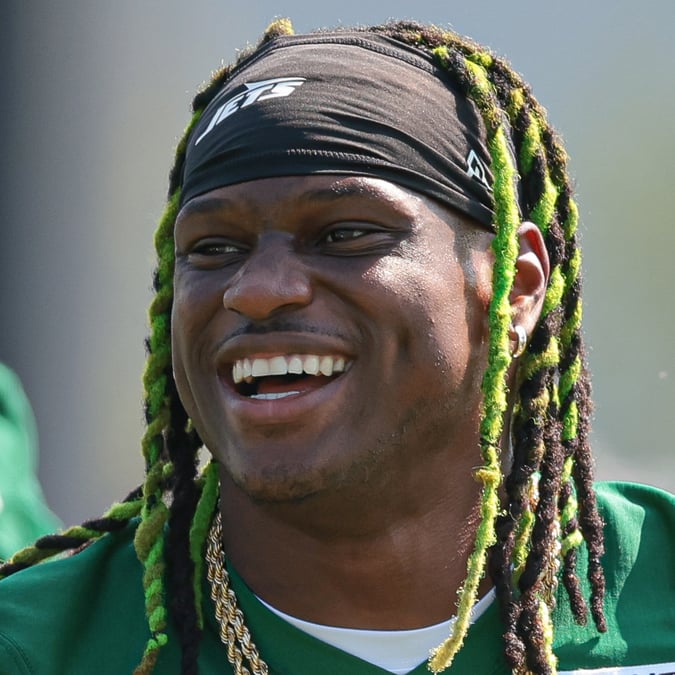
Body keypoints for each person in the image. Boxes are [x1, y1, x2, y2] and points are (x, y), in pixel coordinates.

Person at [1, 18, 674, 675]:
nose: (258, 290)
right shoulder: (39, 649)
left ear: (515, 288)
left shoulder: (655, 596)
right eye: (214, 247)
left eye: (345, 234)